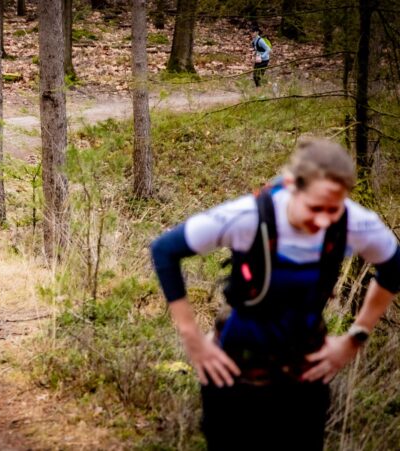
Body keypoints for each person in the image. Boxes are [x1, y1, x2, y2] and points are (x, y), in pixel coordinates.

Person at [149, 138, 400, 450]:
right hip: (236, 368)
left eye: (333, 210)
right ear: (292, 185)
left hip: (305, 372)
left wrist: (355, 338)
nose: (323, 220)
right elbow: (165, 251)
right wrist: (192, 338)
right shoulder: (248, 217)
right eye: (315, 207)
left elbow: (394, 267)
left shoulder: (356, 223)